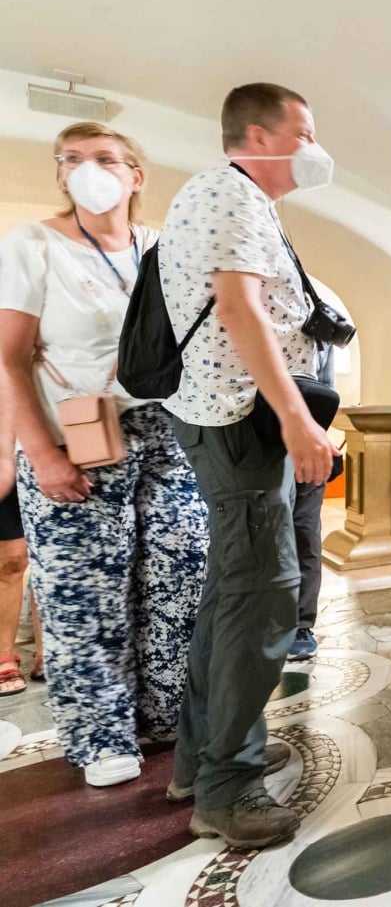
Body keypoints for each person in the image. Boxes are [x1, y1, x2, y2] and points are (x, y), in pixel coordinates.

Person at [157, 83, 340, 849]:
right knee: (266, 593)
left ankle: (202, 757)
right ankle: (228, 786)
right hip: (238, 422)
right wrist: (299, 422)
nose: (312, 146)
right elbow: (239, 310)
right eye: (302, 131)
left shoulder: (238, 201)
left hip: (231, 421)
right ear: (257, 135)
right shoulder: (227, 193)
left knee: (232, 595)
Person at [0, 122, 209, 784]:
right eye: (73, 160)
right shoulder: (32, 245)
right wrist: (42, 455)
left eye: (106, 159)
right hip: (77, 434)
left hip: (165, 435)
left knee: (176, 576)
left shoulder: (157, 246)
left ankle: (164, 714)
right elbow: (8, 357)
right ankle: (100, 735)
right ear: (60, 175)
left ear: (135, 175)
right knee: (85, 592)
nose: (88, 169)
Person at [287, 338, 336, 661]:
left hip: (307, 444)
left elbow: (326, 387)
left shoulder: (320, 332)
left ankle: (302, 624)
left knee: (305, 534)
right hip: (255, 441)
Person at [0, 387, 42, 697]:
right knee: (12, 558)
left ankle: (49, 651)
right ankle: (3, 653)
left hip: (48, 427)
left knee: (51, 552)